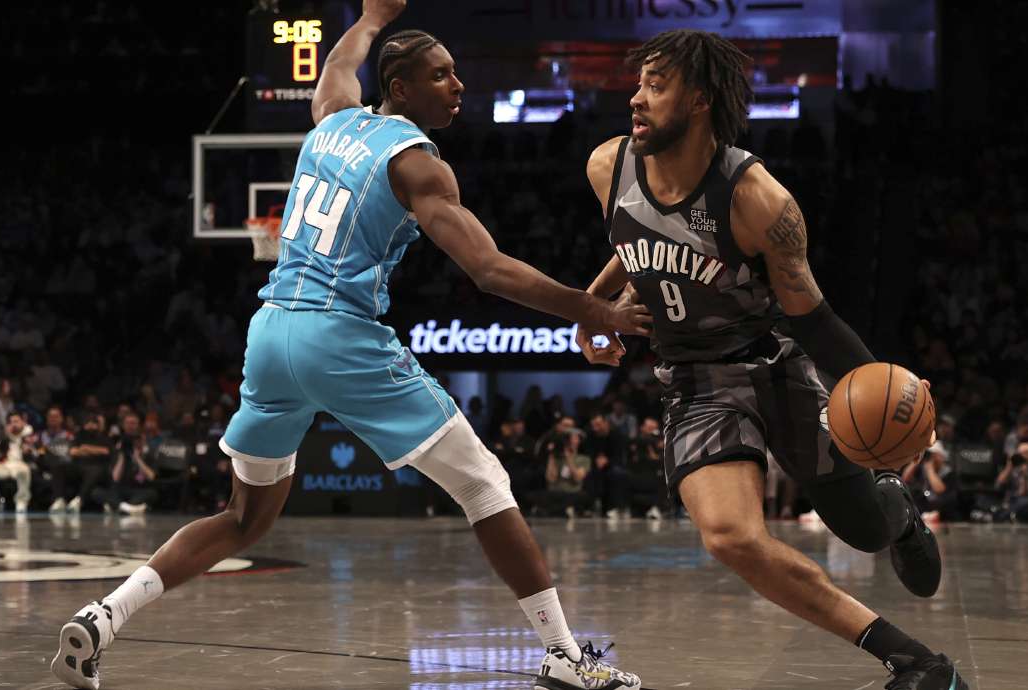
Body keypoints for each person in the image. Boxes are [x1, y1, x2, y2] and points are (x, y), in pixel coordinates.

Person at [51, 3, 647, 689]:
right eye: (441, 75)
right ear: (400, 88)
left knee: (243, 516)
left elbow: (335, 69)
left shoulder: (333, 120)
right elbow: (487, 269)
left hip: (271, 331)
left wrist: (369, 19)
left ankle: (101, 620)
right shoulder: (419, 165)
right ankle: (567, 658)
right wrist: (591, 307)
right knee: (485, 484)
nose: (458, 86)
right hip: (339, 334)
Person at [575, 30, 967, 690]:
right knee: (729, 537)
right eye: (638, 84)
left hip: (773, 366)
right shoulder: (605, 166)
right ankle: (914, 662)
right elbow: (637, 236)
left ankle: (895, 510)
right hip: (694, 382)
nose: (636, 99)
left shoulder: (760, 202)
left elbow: (812, 317)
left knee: (862, 530)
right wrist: (594, 306)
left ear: (699, 101)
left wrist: (894, 389)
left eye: (656, 86)